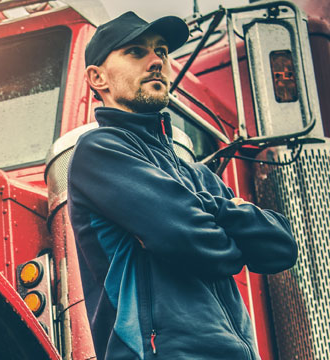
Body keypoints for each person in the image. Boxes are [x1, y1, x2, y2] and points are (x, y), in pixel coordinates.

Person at [67, 11, 298, 360]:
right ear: (97, 77)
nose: (156, 61)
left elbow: (281, 247)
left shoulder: (197, 175)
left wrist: (204, 212)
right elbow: (190, 239)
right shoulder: (99, 152)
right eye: (135, 52)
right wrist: (231, 233)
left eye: (161, 51)